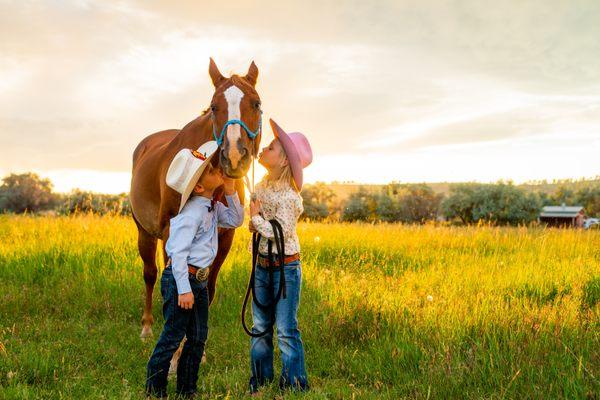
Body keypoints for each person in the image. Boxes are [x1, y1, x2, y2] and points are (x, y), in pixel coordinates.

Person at [146, 141, 244, 398]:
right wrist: (184, 290)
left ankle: (187, 388)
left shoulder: (211, 206)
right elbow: (176, 254)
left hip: (199, 281)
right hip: (182, 279)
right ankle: (154, 390)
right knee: (172, 336)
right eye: (211, 171)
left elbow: (235, 220)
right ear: (199, 186)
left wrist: (231, 190)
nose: (216, 170)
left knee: (198, 337)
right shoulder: (190, 215)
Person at [247, 119, 313, 393]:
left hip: (285, 268)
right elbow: (256, 225)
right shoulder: (261, 187)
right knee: (260, 325)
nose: (264, 148)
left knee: (286, 329)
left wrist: (256, 219)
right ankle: (260, 381)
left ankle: (295, 384)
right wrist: (255, 219)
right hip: (263, 266)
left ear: (284, 160)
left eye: (271, 147)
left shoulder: (289, 197)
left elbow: (281, 232)